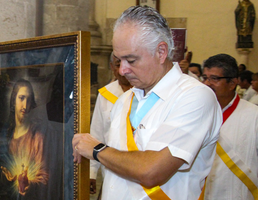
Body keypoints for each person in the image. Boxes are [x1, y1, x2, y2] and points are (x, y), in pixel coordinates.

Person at [72, 6, 222, 200]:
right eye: (119, 60)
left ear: (161, 52)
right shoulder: (125, 99)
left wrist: (96, 149)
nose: (122, 70)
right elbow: (113, 179)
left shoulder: (195, 97)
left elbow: (152, 171)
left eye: (131, 60)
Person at [201, 54, 258, 199]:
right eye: (205, 78)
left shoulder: (254, 116)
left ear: (232, 83)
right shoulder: (195, 114)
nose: (207, 84)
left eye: (214, 78)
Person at [0, 79, 48, 199]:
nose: (25, 105)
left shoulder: (36, 136)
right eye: (21, 98)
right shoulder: (6, 132)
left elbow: (43, 177)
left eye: (29, 100)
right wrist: (5, 176)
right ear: (13, 101)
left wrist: (28, 184)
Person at [89, 52, 131, 196]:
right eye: (118, 65)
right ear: (112, 67)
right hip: (110, 172)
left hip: (136, 171)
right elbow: (97, 134)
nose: (122, 70)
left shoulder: (144, 92)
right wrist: (92, 172)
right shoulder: (106, 94)